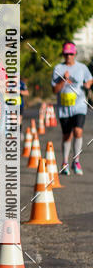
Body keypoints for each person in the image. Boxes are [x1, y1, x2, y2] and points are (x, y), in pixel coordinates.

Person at [51, 42, 93, 175]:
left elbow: (90, 79)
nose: (68, 56)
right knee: (67, 135)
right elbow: (54, 90)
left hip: (79, 106)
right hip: (64, 108)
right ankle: (64, 162)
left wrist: (88, 84)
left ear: (75, 54)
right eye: (66, 53)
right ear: (63, 54)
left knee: (78, 131)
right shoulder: (58, 68)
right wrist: (63, 80)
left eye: (71, 53)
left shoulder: (82, 68)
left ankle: (76, 161)